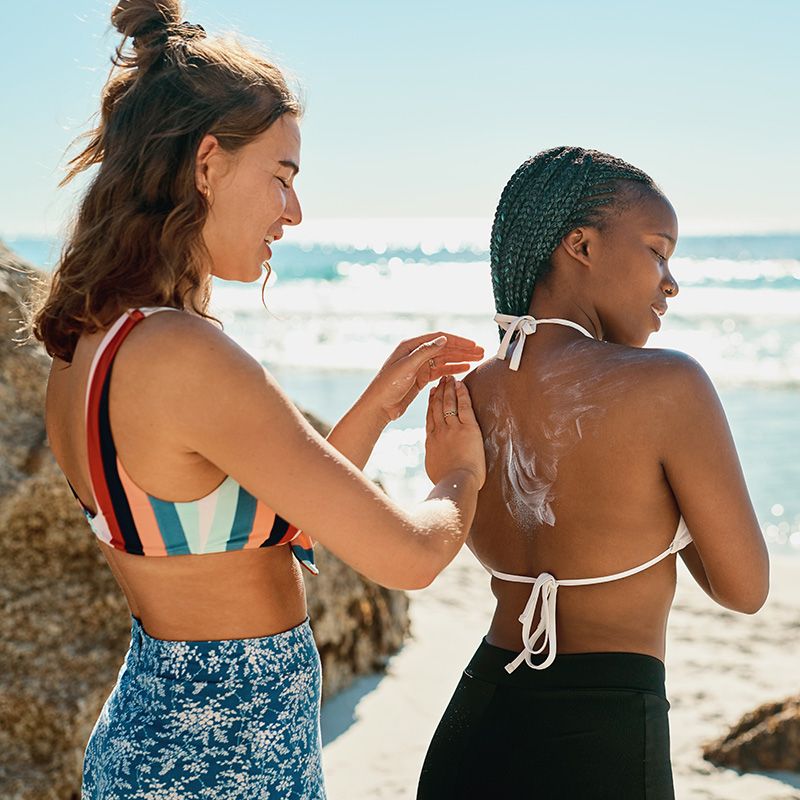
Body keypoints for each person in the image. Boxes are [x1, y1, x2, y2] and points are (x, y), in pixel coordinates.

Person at [27, 2, 486, 798]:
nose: (294, 212)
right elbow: (409, 557)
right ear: (207, 164)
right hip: (219, 761)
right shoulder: (183, 354)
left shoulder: (90, 349)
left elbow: (251, 527)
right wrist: (460, 478)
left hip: (161, 739)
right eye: (281, 178)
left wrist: (377, 404)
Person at [416, 146, 769, 799]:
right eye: (658, 251)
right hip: (602, 738)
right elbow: (743, 589)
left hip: (478, 721)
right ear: (580, 244)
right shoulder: (667, 384)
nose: (671, 282)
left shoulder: (469, 393)